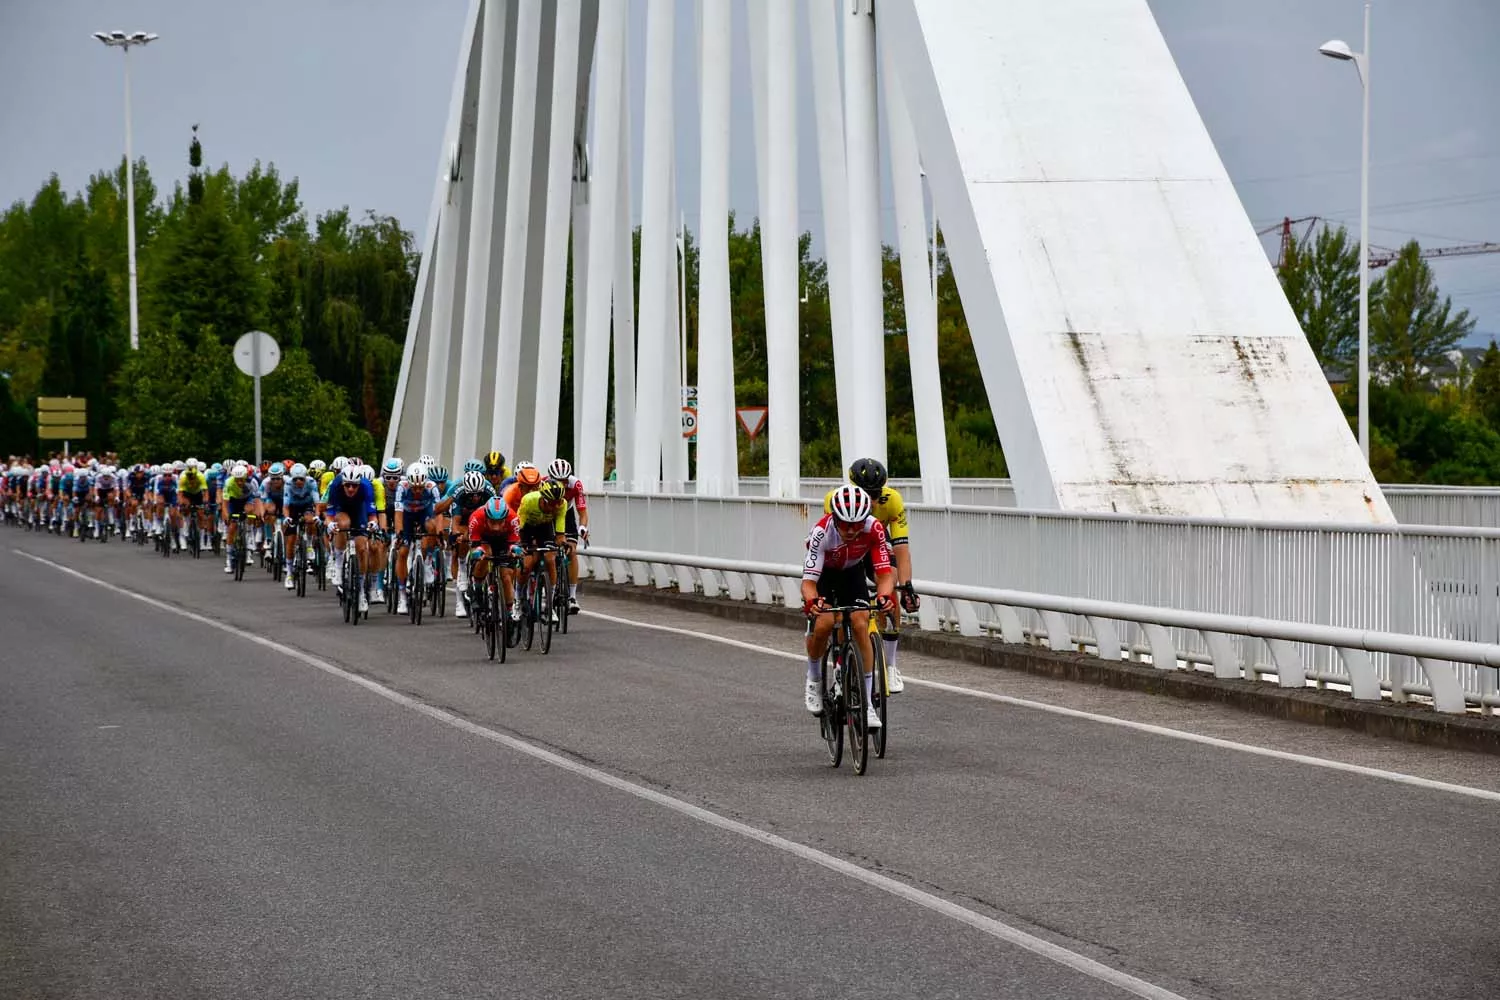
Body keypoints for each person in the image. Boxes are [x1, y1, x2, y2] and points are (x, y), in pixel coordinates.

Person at [801, 485, 895, 728]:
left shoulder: (873, 529)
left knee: (861, 621)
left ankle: (866, 705)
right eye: (845, 524)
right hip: (826, 575)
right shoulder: (822, 532)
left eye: (857, 524)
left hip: (852, 573)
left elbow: (884, 575)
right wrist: (812, 602)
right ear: (835, 517)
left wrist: (885, 596)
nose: (852, 530)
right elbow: (809, 582)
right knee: (824, 623)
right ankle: (814, 679)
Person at [823, 457, 917, 693]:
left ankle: (891, 665)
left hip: (875, 544)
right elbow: (833, 542)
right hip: (848, 549)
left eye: (876, 494)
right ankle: (840, 660)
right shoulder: (836, 500)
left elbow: (901, 549)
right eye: (866, 493)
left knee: (891, 585)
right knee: (842, 607)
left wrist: (907, 586)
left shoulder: (892, 500)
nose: (872, 501)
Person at [546, 458, 589, 613]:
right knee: (547, 551)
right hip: (550, 513)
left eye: (565, 481)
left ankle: (572, 596)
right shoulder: (544, 484)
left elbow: (582, 512)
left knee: (571, 551)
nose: (563, 485)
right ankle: (547, 589)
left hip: (567, 513)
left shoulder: (575, 484)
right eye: (559, 481)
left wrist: (583, 527)